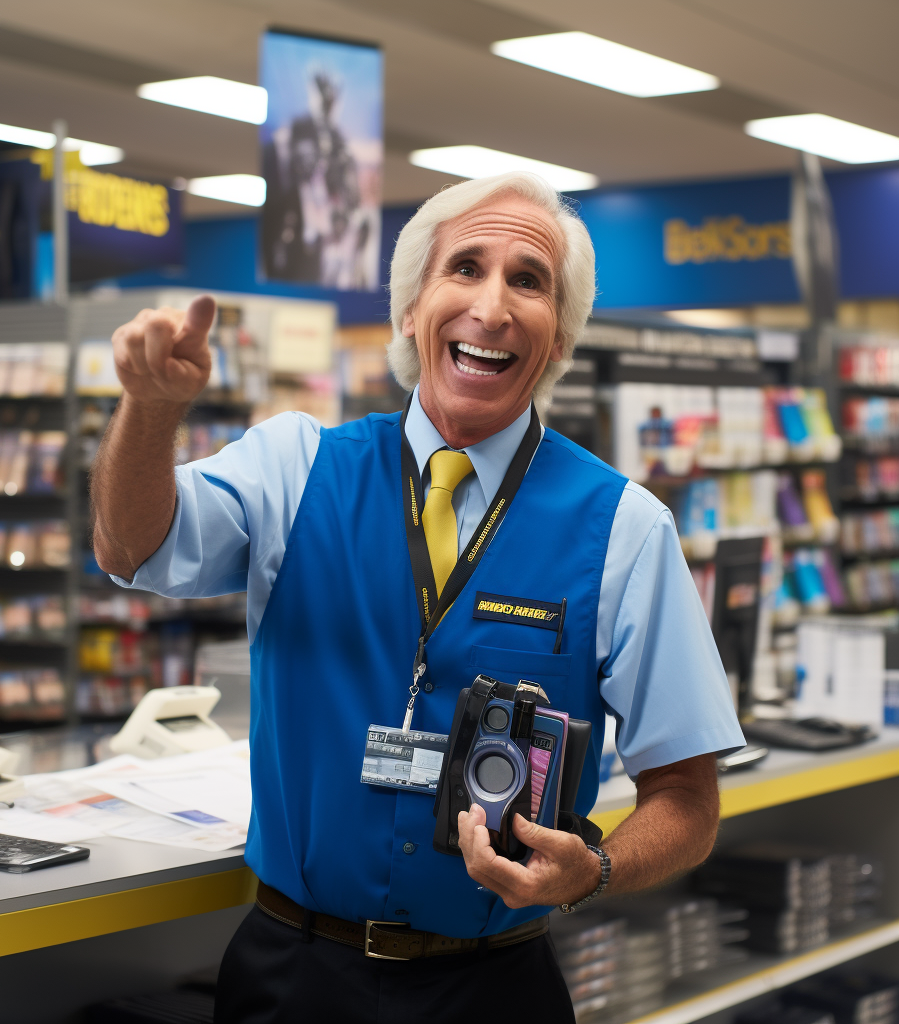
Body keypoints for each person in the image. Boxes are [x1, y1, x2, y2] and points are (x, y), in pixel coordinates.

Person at [91, 171, 745, 1023]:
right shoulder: (293, 467)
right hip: (292, 980)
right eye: (465, 268)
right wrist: (147, 410)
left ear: (558, 341)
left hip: (495, 987)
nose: (494, 306)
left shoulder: (625, 528)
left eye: (529, 280)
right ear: (411, 309)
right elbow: (129, 546)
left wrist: (598, 868)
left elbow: (688, 801)